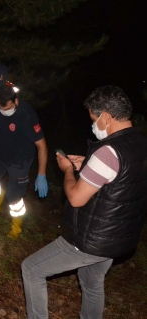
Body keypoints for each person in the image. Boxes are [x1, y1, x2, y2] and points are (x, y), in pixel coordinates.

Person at [22, 86, 147, 319]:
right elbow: (120, 180)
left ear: (106, 118)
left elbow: (76, 198)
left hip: (92, 239)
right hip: (119, 238)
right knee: (91, 280)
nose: (93, 124)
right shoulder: (139, 142)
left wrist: (69, 171)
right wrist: (88, 165)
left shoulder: (108, 151)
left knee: (32, 269)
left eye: (93, 118)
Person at [0, 85, 48, 239]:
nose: (4, 111)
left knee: (14, 198)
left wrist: (41, 174)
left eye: (7, 108)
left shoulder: (27, 115)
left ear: (15, 100)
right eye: (1, 108)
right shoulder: (0, 102)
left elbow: (41, 145)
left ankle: (16, 227)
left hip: (20, 160)